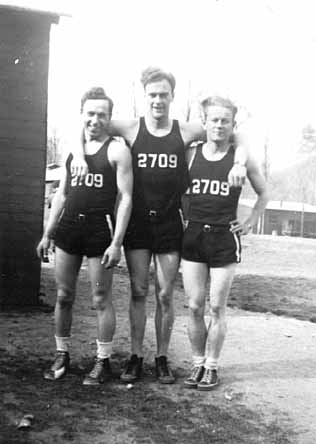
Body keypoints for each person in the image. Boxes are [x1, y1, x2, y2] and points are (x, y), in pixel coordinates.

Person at [71, 67, 248, 384]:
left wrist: (239, 161)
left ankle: (162, 358)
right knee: (139, 291)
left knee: (165, 295)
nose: (157, 100)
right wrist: (79, 156)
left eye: (163, 94)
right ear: (144, 95)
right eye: (152, 94)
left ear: (172, 97)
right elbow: (86, 121)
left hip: (169, 224)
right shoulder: (130, 127)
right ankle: (137, 357)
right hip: (139, 223)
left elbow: (235, 132)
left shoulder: (184, 130)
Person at [36, 87, 133, 385]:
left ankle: (102, 361)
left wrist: (117, 242)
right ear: (82, 115)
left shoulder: (117, 150)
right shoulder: (72, 151)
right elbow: (61, 195)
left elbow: (127, 198)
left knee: (101, 298)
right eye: (90, 114)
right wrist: (47, 234)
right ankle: (62, 353)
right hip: (69, 230)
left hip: (99, 230)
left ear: (110, 117)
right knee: (64, 295)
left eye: (102, 114)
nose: (95, 120)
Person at [181, 95, 268, 390]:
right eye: (214, 120)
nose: (219, 125)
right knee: (194, 306)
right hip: (193, 235)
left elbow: (264, 194)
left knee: (216, 307)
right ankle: (197, 364)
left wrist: (249, 220)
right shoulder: (191, 154)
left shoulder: (240, 157)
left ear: (233, 125)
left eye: (225, 121)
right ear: (204, 122)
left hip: (223, 238)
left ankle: (212, 366)